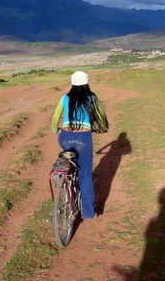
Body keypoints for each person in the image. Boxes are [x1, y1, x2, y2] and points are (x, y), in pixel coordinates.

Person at [51, 71, 109, 219]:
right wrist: (102, 128)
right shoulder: (91, 98)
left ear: (72, 83)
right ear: (86, 82)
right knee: (85, 175)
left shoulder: (65, 97)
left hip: (64, 137)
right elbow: (101, 117)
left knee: (70, 158)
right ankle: (88, 212)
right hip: (83, 138)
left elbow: (56, 116)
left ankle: (64, 176)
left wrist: (54, 129)